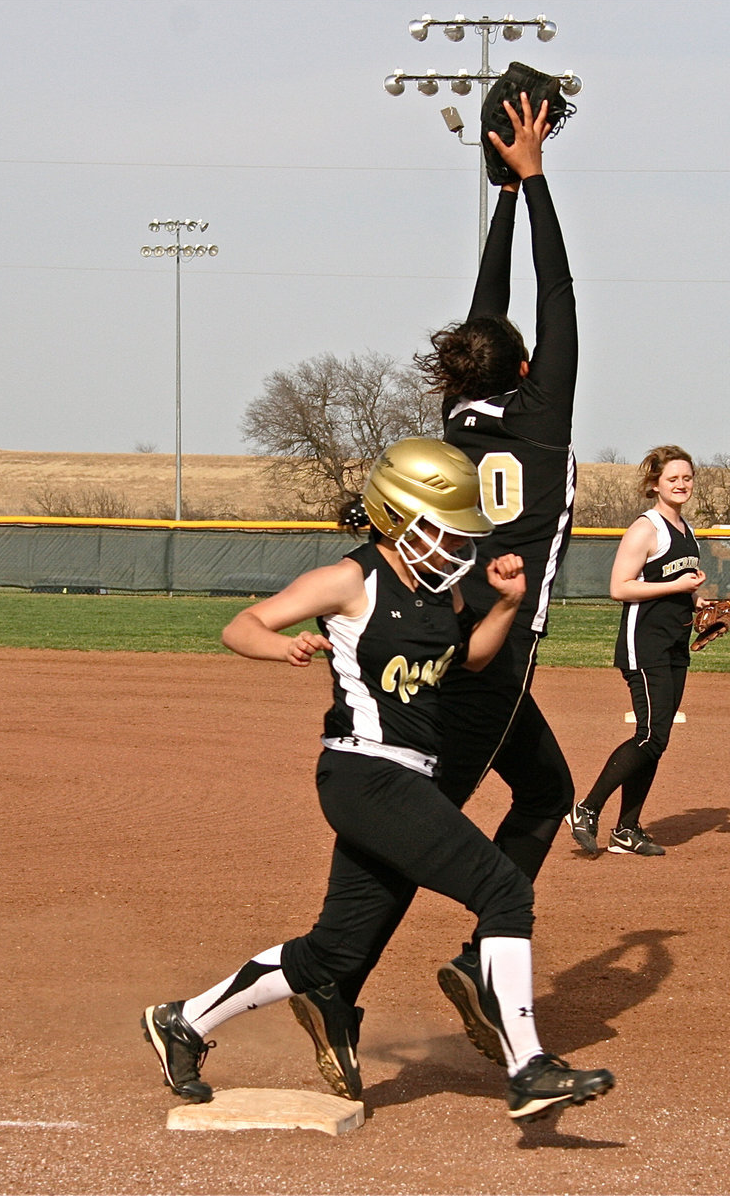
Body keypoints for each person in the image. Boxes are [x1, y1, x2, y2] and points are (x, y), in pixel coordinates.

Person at [141, 437, 615, 1123]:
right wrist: (283, 645)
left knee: (334, 950)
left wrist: (508, 604)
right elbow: (241, 626)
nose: (458, 547)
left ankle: (183, 1020)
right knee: (504, 890)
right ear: (396, 518)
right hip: (364, 772)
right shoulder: (349, 580)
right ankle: (527, 1067)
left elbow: (473, 660)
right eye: (444, 530)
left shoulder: (444, 590)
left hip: (405, 779)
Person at [290, 89, 583, 1081]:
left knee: (542, 791)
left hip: (454, 640)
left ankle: (430, 968)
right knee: (413, 843)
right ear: (527, 368)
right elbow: (555, 296)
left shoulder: (460, 417)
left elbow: (500, 314)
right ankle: (343, 980)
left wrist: (504, 193)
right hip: (485, 660)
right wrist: (534, 181)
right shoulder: (541, 417)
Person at [566, 446, 707, 857]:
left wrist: (698, 602)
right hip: (644, 644)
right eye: (672, 478)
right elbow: (620, 587)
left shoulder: (686, 530)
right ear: (655, 484)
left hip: (675, 643)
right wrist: (677, 586)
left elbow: (680, 585)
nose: (681, 484)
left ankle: (626, 830)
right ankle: (586, 809)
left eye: (687, 477)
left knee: (657, 739)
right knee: (649, 735)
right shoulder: (647, 528)